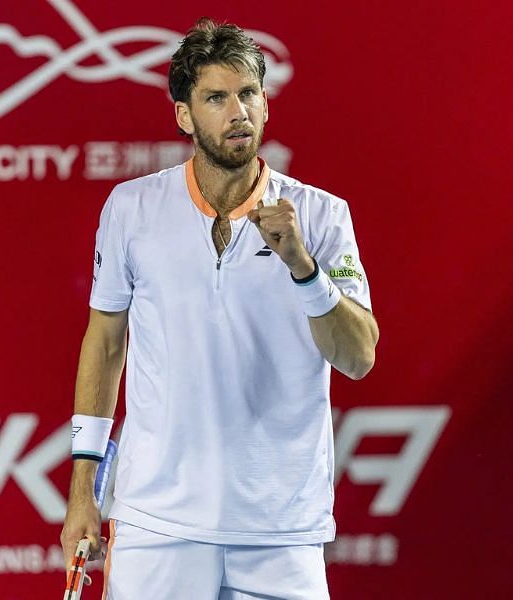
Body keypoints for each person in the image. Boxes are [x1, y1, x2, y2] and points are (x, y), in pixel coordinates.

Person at [60, 18, 378, 600]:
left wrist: (304, 270)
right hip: (155, 523)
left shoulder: (323, 216)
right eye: (216, 98)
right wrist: (85, 490)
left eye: (249, 93)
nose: (239, 112)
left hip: (281, 531)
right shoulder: (130, 207)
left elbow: (358, 357)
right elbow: (105, 345)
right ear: (184, 114)